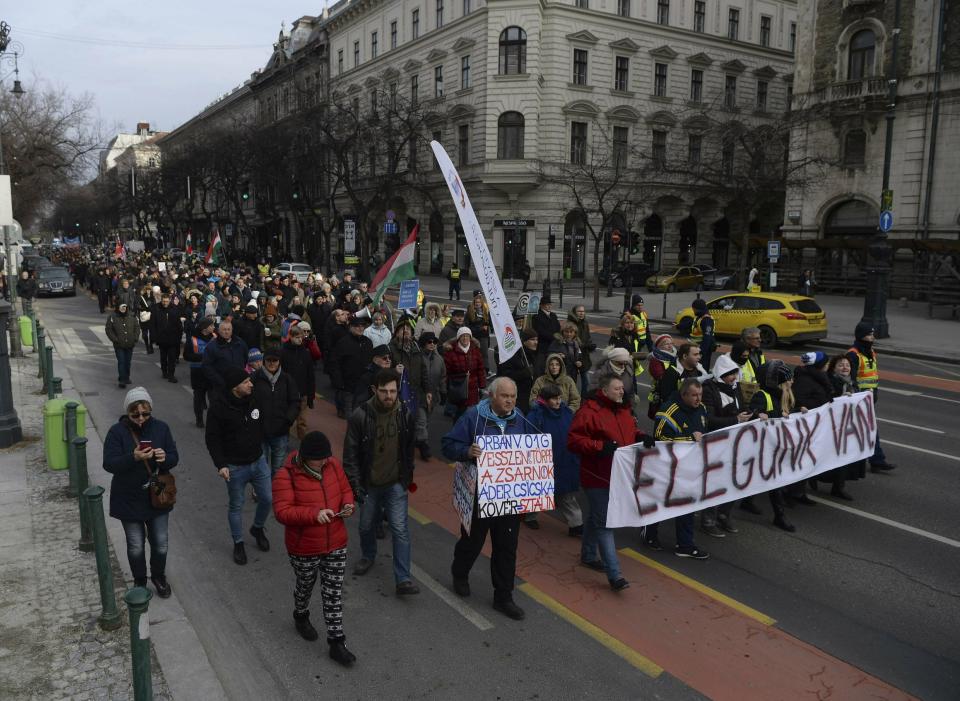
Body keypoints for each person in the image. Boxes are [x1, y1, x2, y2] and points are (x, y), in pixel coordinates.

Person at [442, 377, 528, 620]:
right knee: (472, 541)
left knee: (507, 547)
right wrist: (466, 452)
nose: (510, 400)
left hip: (509, 494)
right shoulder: (473, 417)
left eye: (513, 396)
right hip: (480, 493)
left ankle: (504, 597)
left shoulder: (520, 417)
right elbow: (447, 444)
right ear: (492, 396)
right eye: (505, 396)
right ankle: (460, 573)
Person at [272, 431, 358, 667]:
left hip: (336, 542)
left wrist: (348, 504)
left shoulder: (332, 465)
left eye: (326, 457)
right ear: (305, 457)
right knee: (305, 585)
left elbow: (345, 490)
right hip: (304, 547)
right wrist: (313, 515)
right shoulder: (285, 475)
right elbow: (282, 511)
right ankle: (301, 614)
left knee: (333, 592)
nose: (324, 462)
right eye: (319, 459)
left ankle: (337, 642)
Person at [569, 373, 655, 590]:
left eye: (622, 388)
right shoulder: (589, 411)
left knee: (596, 518)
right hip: (596, 476)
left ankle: (588, 555)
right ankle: (614, 575)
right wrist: (600, 447)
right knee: (605, 523)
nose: (621, 391)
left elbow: (628, 431)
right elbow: (573, 440)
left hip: (618, 476)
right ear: (604, 390)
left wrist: (641, 436)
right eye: (617, 388)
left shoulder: (624, 409)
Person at [343, 369, 420, 595]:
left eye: (393, 391)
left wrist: (407, 478)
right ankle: (368, 555)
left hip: (396, 483)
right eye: (384, 391)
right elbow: (350, 455)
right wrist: (356, 486)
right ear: (374, 390)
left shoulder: (405, 414)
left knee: (400, 529)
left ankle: (403, 578)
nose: (389, 396)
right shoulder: (360, 416)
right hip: (369, 484)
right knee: (366, 525)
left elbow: (408, 450)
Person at [102, 387, 179, 598]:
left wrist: (165, 457)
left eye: (145, 413)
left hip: (157, 495)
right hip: (129, 498)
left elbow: (174, 457)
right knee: (135, 545)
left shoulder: (161, 428)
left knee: (161, 542)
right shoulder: (117, 432)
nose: (141, 419)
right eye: (135, 415)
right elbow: (109, 463)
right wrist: (133, 457)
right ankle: (139, 579)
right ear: (128, 412)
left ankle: (158, 576)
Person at [205, 366, 271, 565]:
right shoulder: (218, 407)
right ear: (235, 387)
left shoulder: (254, 399)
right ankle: (239, 543)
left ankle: (257, 528)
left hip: (258, 461)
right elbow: (212, 438)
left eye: (250, 380)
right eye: (246, 382)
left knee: (267, 499)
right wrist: (221, 464)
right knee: (236, 506)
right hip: (234, 467)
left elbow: (262, 422)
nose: (251, 384)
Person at [645, 379, 712, 559]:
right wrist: (688, 438)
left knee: (686, 504)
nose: (698, 399)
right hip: (667, 467)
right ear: (683, 395)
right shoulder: (667, 412)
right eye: (694, 395)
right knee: (661, 501)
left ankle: (685, 544)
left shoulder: (702, 409)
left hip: (689, 468)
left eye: (700, 395)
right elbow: (660, 438)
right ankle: (649, 532)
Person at [699, 356, 753, 537]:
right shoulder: (709, 390)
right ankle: (708, 519)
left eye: (735, 374)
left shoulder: (735, 388)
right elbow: (708, 419)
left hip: (734, 443)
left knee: (733, 480)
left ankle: (724, 514)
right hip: (716, 445)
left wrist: (748, 415)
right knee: (714, 481)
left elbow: (741, 408)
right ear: (721, 374)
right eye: (730, 375)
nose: (734, 378)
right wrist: (735, 419)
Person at [745, 360, 800, 532]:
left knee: (758, 478)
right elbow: (752, 415)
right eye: (787, 380)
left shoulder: (783, 396)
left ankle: (746, 502)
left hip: (775, 445)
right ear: (778, 382)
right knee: (772, 480)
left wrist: (800, 412)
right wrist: (772, 414)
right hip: (762, 448)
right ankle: (779, 516)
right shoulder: (762, 395)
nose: (791, 382)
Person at [524, 384, 583, 535]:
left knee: (566, 494)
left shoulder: (566, 413)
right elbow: (529, 441)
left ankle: (576, 524)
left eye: (559, 398)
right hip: (544, 461)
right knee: (539, 491)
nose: (558, 402)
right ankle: (530, 516)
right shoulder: (535, 417)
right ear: (545, 400)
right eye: (554, 399)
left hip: (565, 459)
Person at [847, 323, 895, 473]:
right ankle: (876, 460)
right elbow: (851, 379)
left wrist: (873, 395)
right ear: (861, 336)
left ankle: (874, 460)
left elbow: (872, 376)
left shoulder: (870, 351)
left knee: (866, 430)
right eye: (869, 335)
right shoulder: (853, 354)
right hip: (859, 400)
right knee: (867, 430)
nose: (872, 337)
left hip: (868, 398)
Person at [823, 354, 866, 499]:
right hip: (833, 427)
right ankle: (814, 480)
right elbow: (827, 402)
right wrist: (841, 397)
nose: (845, 367)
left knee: (845, 457)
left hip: (848, 427)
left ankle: (838, 486)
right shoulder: (830, 382)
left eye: (847, 365)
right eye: (840, 365)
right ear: (833, 368)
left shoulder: (853, 383)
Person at [253, 348, 300, 475]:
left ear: (279, 362)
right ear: (264, 361)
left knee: (278, 468)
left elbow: (295, 402)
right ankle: (260, 490)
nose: (272, 363)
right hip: (260, 432)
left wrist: (288, 420)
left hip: (281, 432)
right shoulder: (254, 378)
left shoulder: (287, 379)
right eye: (269, 360)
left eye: (275, 360)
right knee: (261, 465)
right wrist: (253, 422)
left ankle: (275, 491)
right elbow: (247, 401)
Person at [389, 323, 433, 459]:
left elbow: (423, 371)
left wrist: (428, 390)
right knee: (401, 422)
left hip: (417, 392)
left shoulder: (416, 348)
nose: (406, 331)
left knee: (421, 421)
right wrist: (394, 372)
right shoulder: (391, 349)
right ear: (396, 333)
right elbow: (383, 372)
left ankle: (423, 444)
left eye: (408, 329)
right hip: (400, 392)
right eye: (402, 329)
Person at [330, 317, 373, 419]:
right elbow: (335, 363)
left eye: (362, 326)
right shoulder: (343, 342)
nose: (360, 328)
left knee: (361, 416)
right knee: (350, 417)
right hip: (348, 386)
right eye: (357, 326)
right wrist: (339, 382)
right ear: (351, 327)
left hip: (363, 387)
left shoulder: (368, 342)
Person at [280, 324, 316, 439]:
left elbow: (310, 375)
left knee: (302, 422)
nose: (300, 339)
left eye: (301, 337)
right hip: (287, 393)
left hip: (302, 392)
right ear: (290, 336)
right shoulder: (283, 352)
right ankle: (284, 442)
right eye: (297, 337)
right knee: (287, 420)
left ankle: (302, 445)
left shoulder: (305, 353)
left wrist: (311, 395)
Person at [443, 327, 486, 420]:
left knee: (472, 416)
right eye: (463, 336)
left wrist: (482, 386)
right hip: (457, 388)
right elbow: (446, 372)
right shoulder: (450, 352)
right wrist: (445, 388)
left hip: (473, 388)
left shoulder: (475, 351)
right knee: (459, 416)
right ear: (458, 338)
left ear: (470, 338)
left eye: (467, 336)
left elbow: (480, 369)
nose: (465, 338)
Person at [183, 317, 216, 427]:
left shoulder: (216, 337)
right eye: (211, 325)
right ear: (205, 328)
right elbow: (186, 356)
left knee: (214, 398)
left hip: (212, 372)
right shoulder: (192, 339)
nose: (214, 327)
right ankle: (199, 419)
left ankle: (213, 419)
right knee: (198, 397)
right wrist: (203, 357)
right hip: (198, 372)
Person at [498, 329, 540, 413]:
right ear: (524, 341)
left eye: (536, 339)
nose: (536, 342)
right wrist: (525, 373)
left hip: (531, 395)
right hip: (518, 396)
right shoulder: (514, 355)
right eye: (532, 339)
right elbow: (506, 376)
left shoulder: (534, 354)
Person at [203, 318, 249, 391]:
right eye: (224, 330)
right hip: (220, 386)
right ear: (219, 331)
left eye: (228, 329)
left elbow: (245, 359)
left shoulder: (240, 343)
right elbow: (207, 366)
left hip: (238, 385)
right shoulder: (212, 346)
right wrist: (219, 380)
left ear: (232, 330)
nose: (226, 332)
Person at [105, 302, 141, 389]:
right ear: (118, 308)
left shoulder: (132, 316)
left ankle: (126, 377)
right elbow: (108, 329)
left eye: (125, 307)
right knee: (121, 362)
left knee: (127, 362)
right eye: (122, 307)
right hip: (119, 345)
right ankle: (122, 380)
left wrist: (135, 338)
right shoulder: (112, 317)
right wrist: (115, 339)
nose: (123, 309)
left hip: (129, 344)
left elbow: (137, 328)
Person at [151, 292, 183, 383]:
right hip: (162, 338)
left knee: (172, 358)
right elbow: (153, 324)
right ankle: (164, 371)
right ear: (161, 301)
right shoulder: (156, 309)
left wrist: (179, 337)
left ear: (169, 301)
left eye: (166, 301)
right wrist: (154, 337)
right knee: (163, 357)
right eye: (163, 301)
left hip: (173, 338)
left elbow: (179, 325)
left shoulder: (174, 309)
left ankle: (171, 375)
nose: (165, 303)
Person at [567, 305, 596, 398]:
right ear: (574, 312)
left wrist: (590, 345)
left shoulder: (585, 323)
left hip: (584, 356)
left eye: (583, 311)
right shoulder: (570, 324)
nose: (581, 313)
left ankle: (583, 401)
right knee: (571, 382)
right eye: (579, 311)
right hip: (573, 356)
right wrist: (584, 345)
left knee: (586, 381)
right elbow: (570, 341)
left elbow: (588, 337)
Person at [547, 322, 584, 387]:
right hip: (561, 372)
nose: (569, 334)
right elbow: (549, 354)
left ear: (575, 333)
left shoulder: (576, 343)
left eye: (571, 332)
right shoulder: (557, 342)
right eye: (566, 332)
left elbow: (579, 355)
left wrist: (579, 362)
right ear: (562, 332)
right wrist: (558, 356)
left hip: (573, 372)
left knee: (571, 389)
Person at [688, 298, 716, 370]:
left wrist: (701, 352)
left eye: (694, 309)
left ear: (698, 309)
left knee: (702, 369)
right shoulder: (699, 316)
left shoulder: (706, 320)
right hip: (697, 348)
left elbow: (707, 338)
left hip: (702, 350)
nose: (693, 310)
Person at [466, 290, 491, 365]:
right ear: (474, 302)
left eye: (479, 302)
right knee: (474, 354)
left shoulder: (486, 310)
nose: (477, 304)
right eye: (476, 302)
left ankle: (485, 370)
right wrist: (480, 328)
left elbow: (490, 322)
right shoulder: (470, 311)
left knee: (484, 354)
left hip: (484, 336)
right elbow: (467, 326)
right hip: (474, 336)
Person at [136, 285, 154, 354]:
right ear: (145, 290)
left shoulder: (153, 298)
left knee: (152, 334)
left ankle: (151, 346)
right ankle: (147, 347)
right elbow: (137, 306)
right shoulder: (142, 297)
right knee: (145, 334)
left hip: (151, 317)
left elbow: (155, 307)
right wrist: (145, 309)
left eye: (149, 290)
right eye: (147, 290)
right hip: (143, 317)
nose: (148, 291)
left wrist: (151, 310)